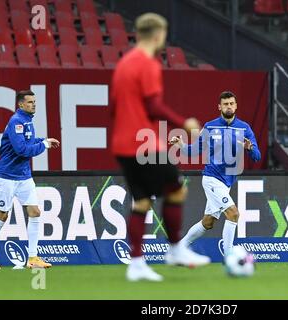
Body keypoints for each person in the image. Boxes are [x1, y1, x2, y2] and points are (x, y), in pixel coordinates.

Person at [110, 13, 210, 282]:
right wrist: (184, 123)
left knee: (141, 201)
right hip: (142, 143)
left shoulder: (123, 64)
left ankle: (136, 263)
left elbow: (114, 106)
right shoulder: (148, 64)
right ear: (157, 35)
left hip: (121, 144)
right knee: (176, 190)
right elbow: (153, 107)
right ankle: (176, 249)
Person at [170, 91, 261, 255]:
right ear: (219, 106)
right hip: (212, 178)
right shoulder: (210, 126)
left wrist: (250, 149)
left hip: (227, 182)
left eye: (231, 103)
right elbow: (194, 151)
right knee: (233, 214)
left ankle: (179, 247)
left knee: (208, 222)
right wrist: (181, 145)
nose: (229, 106)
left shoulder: (244, 128)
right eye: (225, 104)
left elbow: (257, 157)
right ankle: (229, 257)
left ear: (236, 106)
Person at [0, 90, 60, 270]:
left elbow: (30, 140)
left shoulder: (27, 121)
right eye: (30, 102)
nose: (34, 104)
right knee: (2, 215)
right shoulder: (16, 121)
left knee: (35, 211)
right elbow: (22, 150)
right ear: (20, 104)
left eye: (35, 101)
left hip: (24, 177)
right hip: (6, 177)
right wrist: (45, 145)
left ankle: (32, 257)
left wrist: (44, 140)